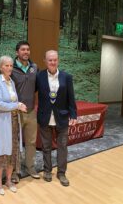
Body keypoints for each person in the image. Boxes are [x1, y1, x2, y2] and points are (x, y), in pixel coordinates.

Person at [0, 41, 40, 183]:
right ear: (17, 52)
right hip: (14, 114)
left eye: (28, 49)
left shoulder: (34, 67)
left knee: (30, 141)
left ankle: (30, 167)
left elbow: (37, 86)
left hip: (30, 111)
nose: (26, 52)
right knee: (15, 143)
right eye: (23, 50)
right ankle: (14, 173)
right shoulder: (11, 70)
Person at [36, 50, 77, 187]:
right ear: (45, 61)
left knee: (62, 147)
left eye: (55, 60)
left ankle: (61, 173)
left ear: (58, 60)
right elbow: (27, 90)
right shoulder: (39, 76)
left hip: (62, 118)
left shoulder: (66, 77)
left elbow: (71, 98)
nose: (53, 62)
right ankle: (47, 170)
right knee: (46, 147)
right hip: (44, 117)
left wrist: (74, 115)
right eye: (50, 60)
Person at [0, 55, 27, 195]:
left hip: (13, 122)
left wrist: (17, 106)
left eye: (11, 65)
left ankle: (9, 180)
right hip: (2, 123)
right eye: (6, 65)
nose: (9, 68)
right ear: (0, 67)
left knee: (12, 151)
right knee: (1, 152)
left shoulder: (11, 82)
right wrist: (17, 105)